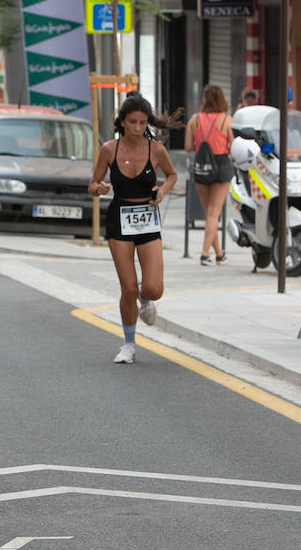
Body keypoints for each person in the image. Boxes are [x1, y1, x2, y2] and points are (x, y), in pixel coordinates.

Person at [89, 96, 179, 364]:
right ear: (122, 122)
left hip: (148, 218)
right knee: (127, 288)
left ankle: (145, 297)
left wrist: (162, 190)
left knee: (153, 289)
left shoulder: (157, 150)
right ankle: (128, 344)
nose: (137, 128)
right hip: (119, 218)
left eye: (142, 122)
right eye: (132, 122)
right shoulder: (109, 149)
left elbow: (172, 175)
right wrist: (100, 188)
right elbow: (93, 184)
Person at [184, 84, 234, 266]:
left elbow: (188, 146)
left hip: (201, 166)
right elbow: (233, 145)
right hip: (221, 165)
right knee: (214, 213)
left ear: (204, 99)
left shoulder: (194, 120)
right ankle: (205, 254)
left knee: (209, 214)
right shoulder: (227, 120)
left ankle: (219, 254)